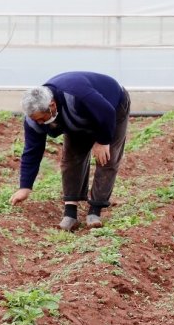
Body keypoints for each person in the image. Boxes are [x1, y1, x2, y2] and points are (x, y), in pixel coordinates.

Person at [9, 71, 131, 231]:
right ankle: (70, 214)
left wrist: (102, 141)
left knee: (107, 158)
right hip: (79, 114)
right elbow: (32, 151)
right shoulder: (34, 120)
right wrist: (25, 186)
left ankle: (95, 211)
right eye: (35, 119)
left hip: (112, 106)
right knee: (71, 157)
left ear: (52, 106)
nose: (39, 123)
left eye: (41, 118)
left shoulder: (77, 96)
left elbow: (106, 111)